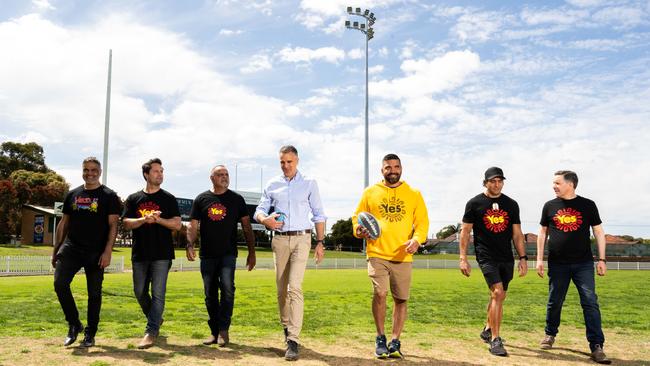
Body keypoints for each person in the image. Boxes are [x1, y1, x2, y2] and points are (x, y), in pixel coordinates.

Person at [352, 153, 429, 359]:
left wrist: (417, 240)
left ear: (401, 169)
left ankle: (395, 341)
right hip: (377, 252)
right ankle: (380, 338)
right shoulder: (370, 192)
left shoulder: (414, 193)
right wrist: (358, 230)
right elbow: (357, 218)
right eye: (388, 167)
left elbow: (422, 223)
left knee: (401, 300)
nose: (392, 170)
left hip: (403, 255)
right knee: (380, 293)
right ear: (382, 170)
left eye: (396, 167)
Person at [255, 145, 326, 361]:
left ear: (297, 161)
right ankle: (286, 328)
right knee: (281, 289)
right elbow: (259, 210)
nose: (286, 166)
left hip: (303, 239)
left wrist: (321, 242)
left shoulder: (309, 183)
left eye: (290, 162)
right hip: (279, 240)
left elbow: (319, 214)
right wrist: (264, 220)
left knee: (295, 287)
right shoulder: (272, 184)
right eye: (282, 162)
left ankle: (293, 339)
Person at [536, 170, 611, 364]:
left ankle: (596, 346)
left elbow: (599, 232)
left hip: (583, 264)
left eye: (557, 183)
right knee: (555, 301)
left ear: (570, 184)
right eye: (553, 183)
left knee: (590, 302)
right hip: (557, 263)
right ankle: (550, 334)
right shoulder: (549, 206)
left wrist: (602, 260)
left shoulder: (587, 205)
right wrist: (539, 260)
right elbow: (542, 233)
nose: (554, 186)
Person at [458, 167, 528, 356]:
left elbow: (517, 234)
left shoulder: (511, 204)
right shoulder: (474, 203)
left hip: (506, 257)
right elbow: (465, 232)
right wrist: (463, 258)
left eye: (500, 181)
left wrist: (523, 258)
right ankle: (495, 340)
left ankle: (488, 329)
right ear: (485, 182)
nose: (497, 185)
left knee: (499, 295)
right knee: (497, 293)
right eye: (493, 181)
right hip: (486, 255)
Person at [51, 157, 120, 347]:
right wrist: (56, 249)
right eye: (86, 170)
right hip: (72, 247)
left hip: (96, 251)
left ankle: (90, 333)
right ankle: (74, 324)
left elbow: (113, 225)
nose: (90, 173)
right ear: (82, 171)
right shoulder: (72, 194)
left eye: (93, 170)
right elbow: (64, 223)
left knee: (94, 293)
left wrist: (108, 252)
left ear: (100, 171)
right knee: (60, 284)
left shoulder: (109, 196)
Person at [187, 165, 256, 347]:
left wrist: (252, 252)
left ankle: (224, 330)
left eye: (226, 174)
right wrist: (189, 244)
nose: (224, 177)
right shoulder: (201, 199)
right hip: (207, 255)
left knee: (227, 289)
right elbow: (193, 226)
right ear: (212, 178)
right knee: (210, 294)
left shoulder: (237, 199)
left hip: (228, 254)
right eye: (220, 174)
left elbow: (247, 227)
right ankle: (214, 331)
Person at [122, 158, 181, 349]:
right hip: (140, 254)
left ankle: (151, 331)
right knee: (139, 292)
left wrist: (158, 220)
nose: (160, 174)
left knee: (158, 294)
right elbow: (126, 223)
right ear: (146, 174)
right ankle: (155, 318)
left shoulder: (168, 198)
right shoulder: (134, 198)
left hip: (162, 254)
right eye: (156, 171)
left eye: (162, 171)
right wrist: (143, 219)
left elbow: (177, 224)